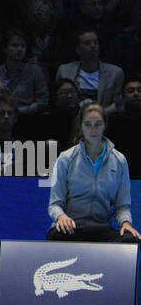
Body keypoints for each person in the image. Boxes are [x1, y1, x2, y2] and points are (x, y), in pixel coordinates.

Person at [47, 101, 140, 242]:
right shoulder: (66, 159)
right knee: (58, 234)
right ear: (81, 127)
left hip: (102, 229)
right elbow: (55, 204)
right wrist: (61, 217)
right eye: (88, 124)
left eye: (98, 124)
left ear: (104, 126)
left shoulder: (119, 160)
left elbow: (122, 206)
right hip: (72, 228)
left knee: (129, 240)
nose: (93, 129)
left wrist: (126, 223)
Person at [54, 28, 124, 113]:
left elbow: (119, 103)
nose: (93, 46)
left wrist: (100, 114)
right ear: (78, 49)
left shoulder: (115, 72)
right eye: (87, 43)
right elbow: (57, 100)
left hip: (103, 118)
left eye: (95, 42)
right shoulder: (64, 70)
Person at [0, 29, 48, 114]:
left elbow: (43, 101)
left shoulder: (35, 71)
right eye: (14, 45)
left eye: (23, 46)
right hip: (0, 117)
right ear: (5, 49)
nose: (20, 49)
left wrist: (19, 111)